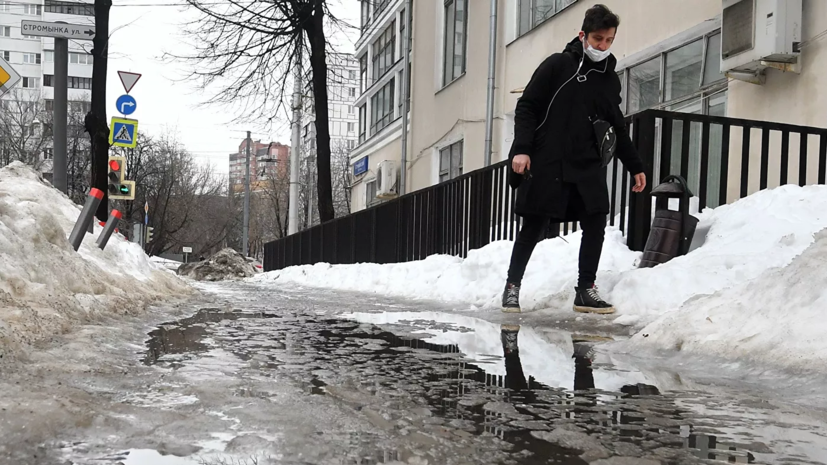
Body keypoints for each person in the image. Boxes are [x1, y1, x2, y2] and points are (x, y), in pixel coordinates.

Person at [502, 4, 646, 314]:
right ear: (583, 35)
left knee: (596, 220)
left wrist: (635, 166)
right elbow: (527, 107)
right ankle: (512, 287)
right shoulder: (558, 66)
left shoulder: (609, 79)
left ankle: (585, 290)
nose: (603, 46)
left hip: (586, 163)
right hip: (548, 160)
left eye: (609, 40)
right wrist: (523, 149)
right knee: (534, 224)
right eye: (597, 39)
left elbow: (617, 126)